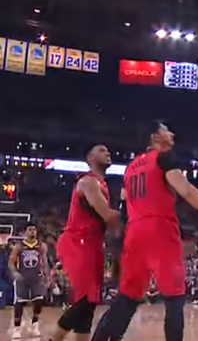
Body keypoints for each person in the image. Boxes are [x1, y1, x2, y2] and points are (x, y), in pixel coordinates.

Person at [90, 122, 198, 341]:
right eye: (166, 130)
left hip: (134, 232)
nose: (171, 133)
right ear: (155, 137)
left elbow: (124, 207)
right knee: (174, 298)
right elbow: (188, 191)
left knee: (127, 297)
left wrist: (120, 241)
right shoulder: (164, 158)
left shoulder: (130, 167)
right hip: (160, 230)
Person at [49, 144, 121, 341]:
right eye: (101, 150)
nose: (107, 152)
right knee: (84, 300)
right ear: (89, 158)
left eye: (108, 150)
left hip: (93, 244)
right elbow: (107, 215)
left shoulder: (103, 185)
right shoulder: (88, 181)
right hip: (77, 241)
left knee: (90, 304)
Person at [9, 223, 49, 339]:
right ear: (25, 232)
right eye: (30, 229)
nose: (32, 231)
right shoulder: (19, 246)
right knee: (19, 303)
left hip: (36, 278)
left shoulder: (41, 246)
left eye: (34, 229)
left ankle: (35, 324)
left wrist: (47, 275)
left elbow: (44, 261)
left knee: (39, 301)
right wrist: (15, 273)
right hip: (23, 278)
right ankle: (17, 328)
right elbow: (11, 261)